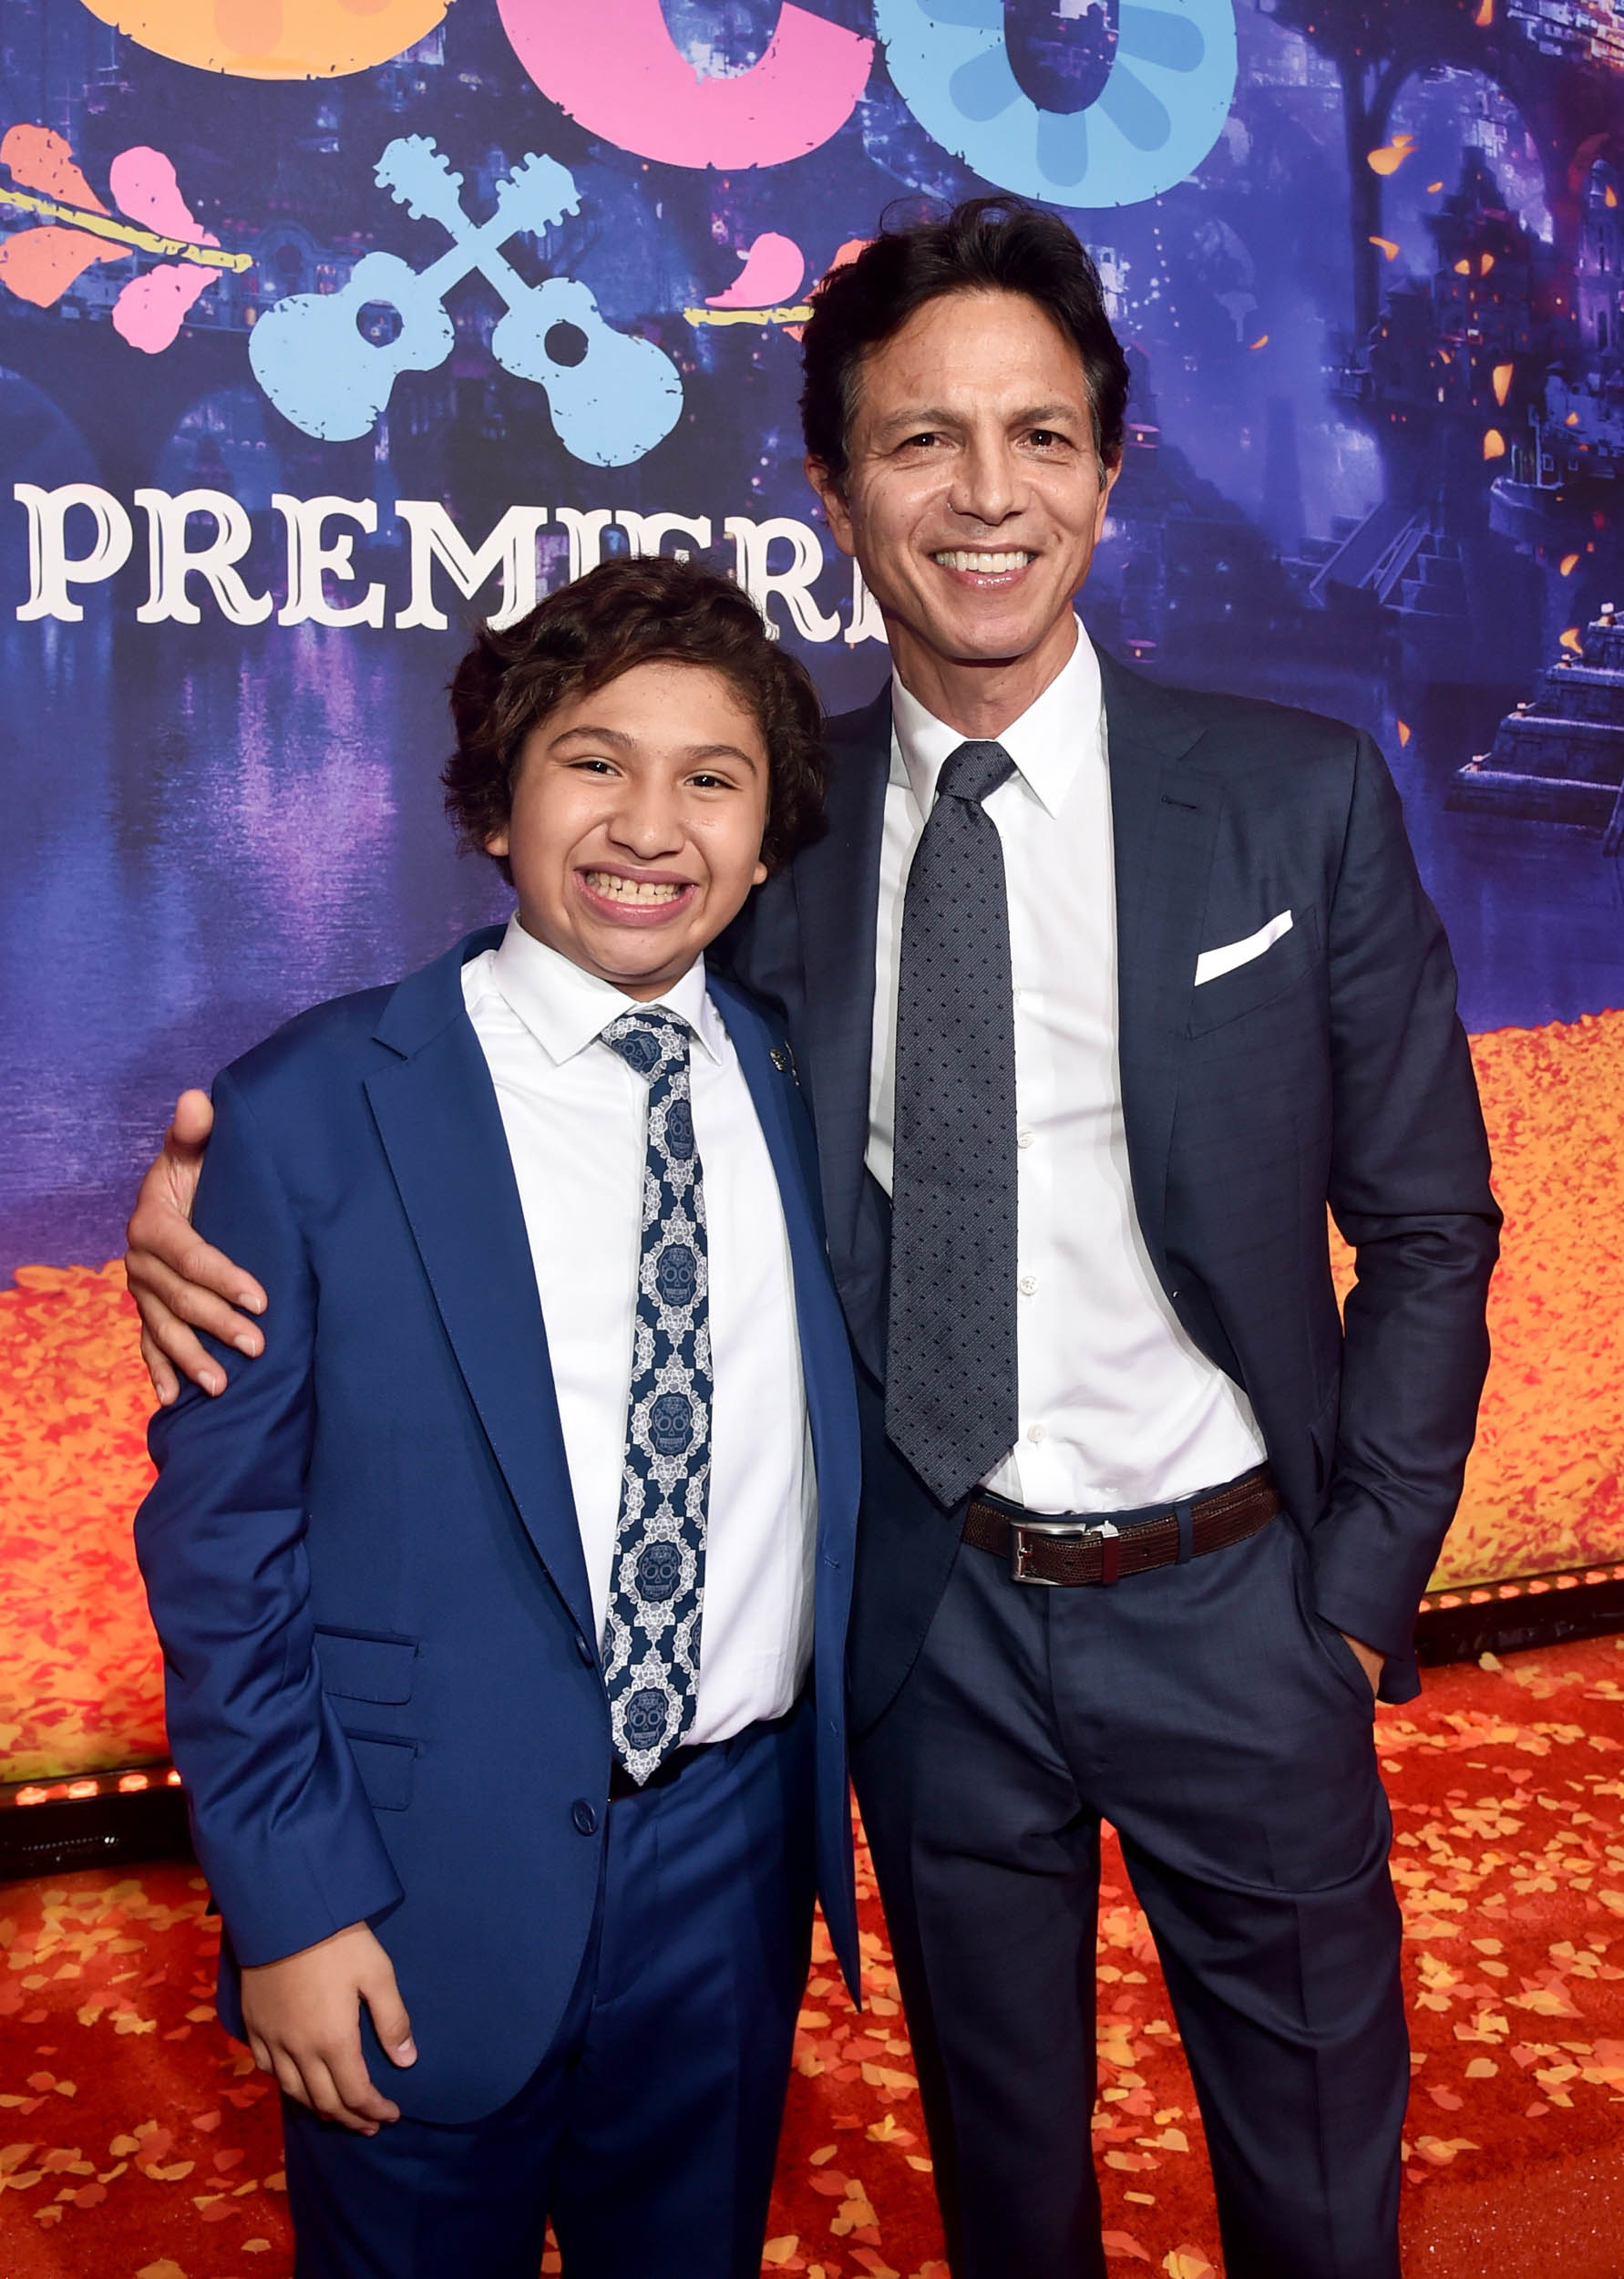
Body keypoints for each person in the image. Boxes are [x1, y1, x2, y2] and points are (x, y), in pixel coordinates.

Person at [128, 202, 1501, 2279]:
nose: (985, 494)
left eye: (1040, 437)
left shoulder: (1293, 796)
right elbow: (540, 1009)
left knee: (1323, 2191)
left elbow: (1427, 1220)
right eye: (921, 439)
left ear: (1108, 474)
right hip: (926, 1640)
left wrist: (1356, 1594)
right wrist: (227, 1185)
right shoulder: (780, 818)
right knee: (1004, 2192)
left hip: (1244, 1606)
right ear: (834, 487)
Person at [131, 555, 861, 2279]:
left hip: (730, 1859)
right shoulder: (309, 1109)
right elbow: (223, 1552)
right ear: (492, 804)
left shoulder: (803, 1083)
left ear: (764, 842)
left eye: (711, 779)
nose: (649, 826)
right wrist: (290, 1901)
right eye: (593, 761)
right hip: (409, 1878)